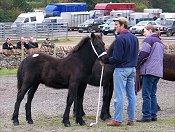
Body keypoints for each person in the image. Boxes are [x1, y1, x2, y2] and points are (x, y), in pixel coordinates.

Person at [104, 17, 139, 126]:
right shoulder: (134, 38)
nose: (115, 27)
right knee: (131, 95)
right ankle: (131, 119)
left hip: (121, 69)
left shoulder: (119, 39)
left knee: (119, 95)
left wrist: (107, 61)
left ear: (123, 25)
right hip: (132, 69)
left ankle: (117, 120)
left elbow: (117, 58)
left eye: (116, 25)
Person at [136, 25, 164, 122]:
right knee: (153, 94)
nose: (144, 33)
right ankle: (153, 115)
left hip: (149, 71)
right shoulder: (160, 42)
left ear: (150, 30)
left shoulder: (148, 40)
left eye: (145, 31)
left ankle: (146, 116)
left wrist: (136, 64)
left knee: (146, 94)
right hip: (158, 71)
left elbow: (144, 54)